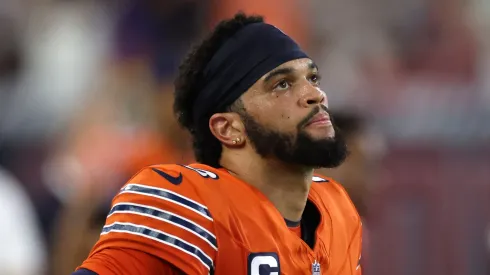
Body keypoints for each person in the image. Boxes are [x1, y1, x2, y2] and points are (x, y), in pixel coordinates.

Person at [72, 12, 362, 275]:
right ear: (228, 128)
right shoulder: (190, 204)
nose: (315, 94)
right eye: (282, 84)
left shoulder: (337, 209)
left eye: (312, 77)